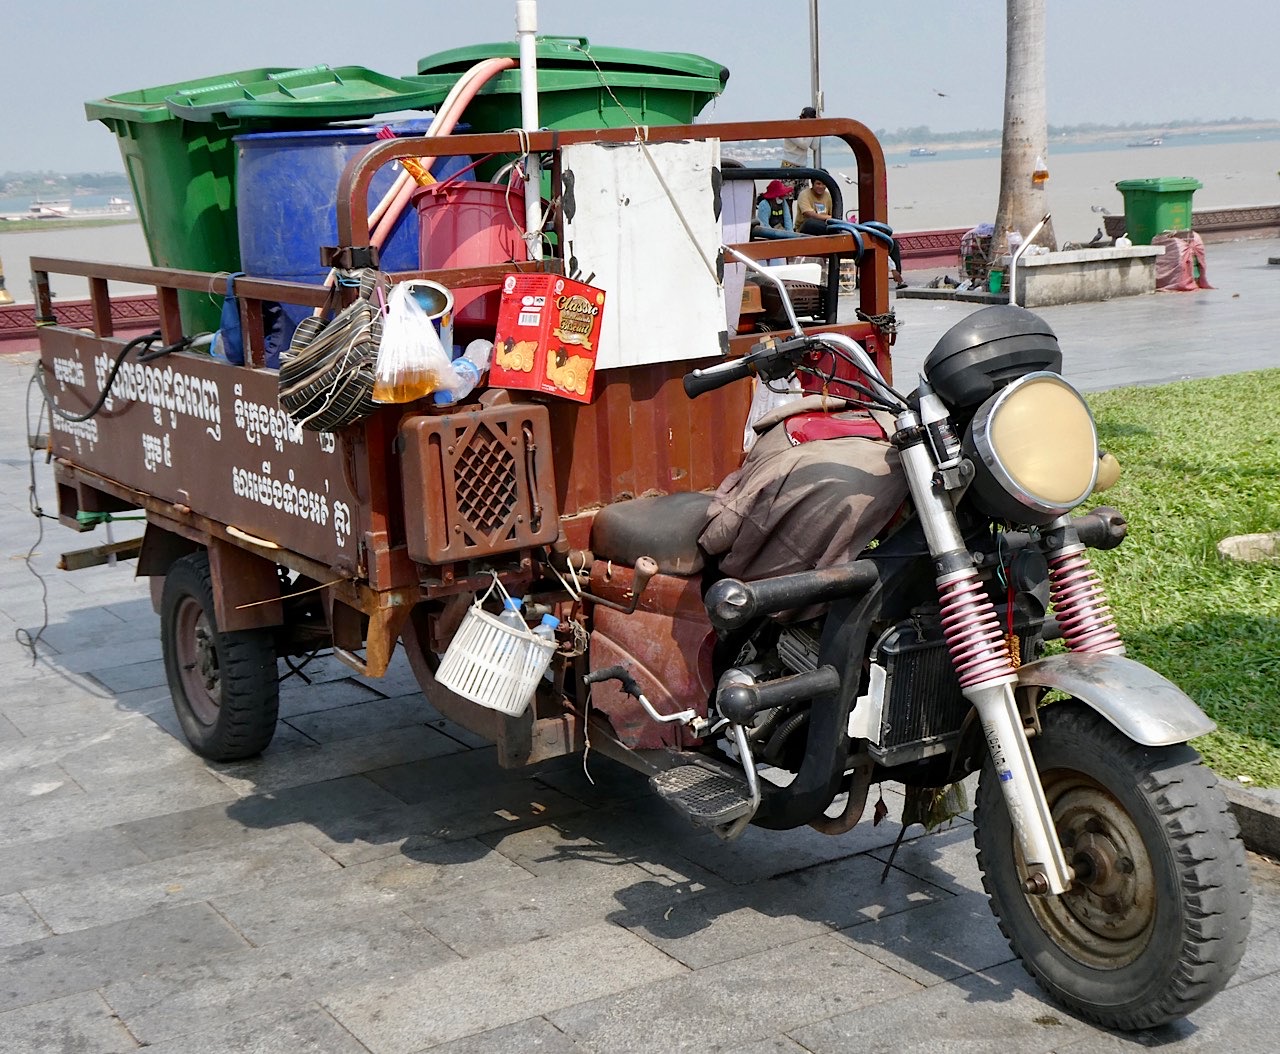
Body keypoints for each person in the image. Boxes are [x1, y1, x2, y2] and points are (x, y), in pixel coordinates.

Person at [796, 181, 908, 289]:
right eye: (818, 184)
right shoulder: (805, 195)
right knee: (812, 223)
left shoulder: (828, 196)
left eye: (823, 184)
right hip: (809, 228)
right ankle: (847, 234)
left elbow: (835, 214)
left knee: (891, 242)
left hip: (829, 228)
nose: (821, 187)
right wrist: (830, 219)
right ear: (813, 184)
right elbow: (808, 213)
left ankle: (898, 276)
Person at [780, 106, 817, 196]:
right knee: (788, 198)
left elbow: (814, 146)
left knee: (804, 198)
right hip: (789, 166)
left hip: (802, 166)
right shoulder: (791, 129)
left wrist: (816, 129)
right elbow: (804, 145)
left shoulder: (808, 132)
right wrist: (813, 128)